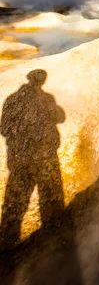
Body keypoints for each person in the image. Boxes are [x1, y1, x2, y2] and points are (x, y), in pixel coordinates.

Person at [0, 70, 65, 249]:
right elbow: (61, 116)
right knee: (52, 203)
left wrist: (21, 134)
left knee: (14, 208)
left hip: (20, 161)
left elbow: (3, 129)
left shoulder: (13, 100)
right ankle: (55, 247)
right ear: (41, 81)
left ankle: (6, 252)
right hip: (45, 161)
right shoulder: (46, 99)